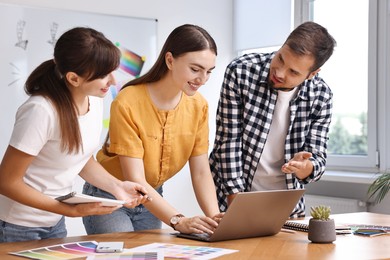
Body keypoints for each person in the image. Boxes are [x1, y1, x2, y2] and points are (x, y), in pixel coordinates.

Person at [0, 27, 150, 243]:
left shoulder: (95, 100)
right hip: (17, 225)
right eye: (103, 75)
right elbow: (7, 181)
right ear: (73, 78)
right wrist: (68, 209)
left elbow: (79, 157)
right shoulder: (41, 111)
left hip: (54, 222)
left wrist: (117, 187)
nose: (113, 81)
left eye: (112, 71)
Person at [82, 24, 224, 235]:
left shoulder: (198, 106)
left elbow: (202, 171)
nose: (202, 80)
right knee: (124, 256)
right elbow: (136, 179)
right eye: (195, 69)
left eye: (208, 72)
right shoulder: (127, 101)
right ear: (170, 60)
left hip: (153, 198)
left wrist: (215, 219)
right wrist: (178, 220)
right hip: (111, 197)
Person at [209, 21, 336, 218]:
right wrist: (237, 206)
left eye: (293, 72)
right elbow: (228, 141)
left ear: (312, 74)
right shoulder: (241, 71)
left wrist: (305, 168)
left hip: (286, 205)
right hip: (232, 194)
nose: (279, 72)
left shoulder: (321, 95)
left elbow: (317, 159)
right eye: (280, 58)